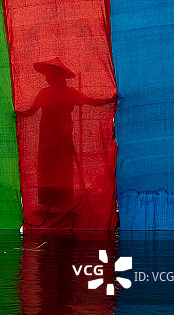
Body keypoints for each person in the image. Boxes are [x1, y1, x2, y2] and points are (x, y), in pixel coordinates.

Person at [16, 57, 115, 227]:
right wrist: (15, 113)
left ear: (58, 76)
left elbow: (91, 101)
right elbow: (30, 112)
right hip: (49, 137)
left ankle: (59, 205)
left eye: (51, 74)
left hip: (60, 136)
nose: (48, 77)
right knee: (51, 169)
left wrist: (110, 100)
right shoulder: (47, 93)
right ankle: (52, 204)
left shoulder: (66, 93)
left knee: (60, 169)